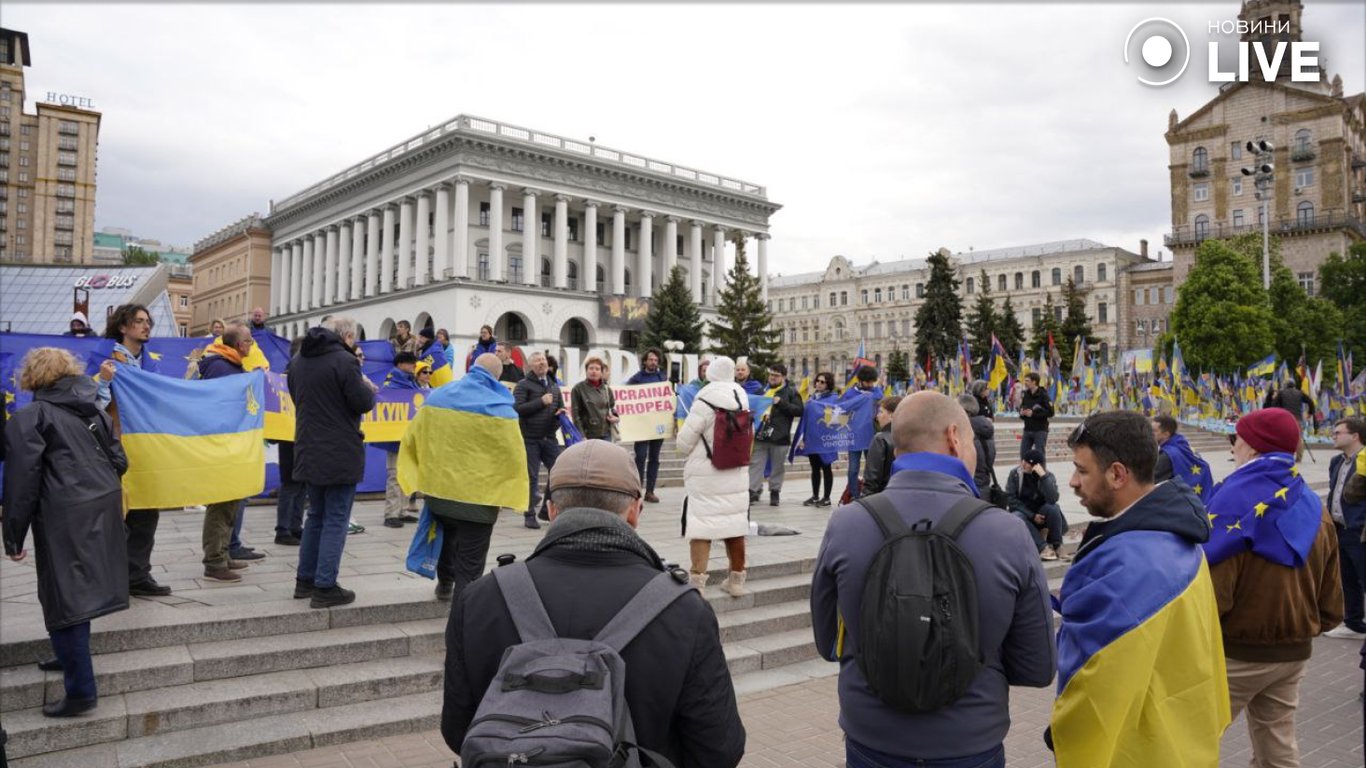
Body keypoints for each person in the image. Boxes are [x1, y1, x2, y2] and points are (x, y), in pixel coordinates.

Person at [441, 439, 745, 765]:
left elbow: (458, 729)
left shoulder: (481, 598)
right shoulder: (684, 610)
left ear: (552, 510)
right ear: (634, 511)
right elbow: (719, 748)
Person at [812, 391, 1055, 768]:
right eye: (972, 441)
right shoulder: (1008, 532)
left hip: (872, 737)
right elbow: (1037, 667)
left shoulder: (847, 523)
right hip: (969, 740)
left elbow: (829, 643)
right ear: (955, 437)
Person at [1050, 411, 1229, 767]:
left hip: (1135, 749)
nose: (1072, 481)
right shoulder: (1176, 533)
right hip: (1181, 739)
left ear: (1117, 474)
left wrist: (1058, 736)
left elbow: (1093, 689)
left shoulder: (1127, 563)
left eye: (1082, 470)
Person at [1206, 407, 1343, 768]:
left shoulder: (1233, 500)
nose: (1233, 446)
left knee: (1190, 736)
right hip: (1294, 649)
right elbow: (1331, 589)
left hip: (1237, 650)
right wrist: (1318, 624)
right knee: (1277, 744)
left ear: (1251, 445)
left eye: (1236, 438)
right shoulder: (1313, 503)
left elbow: (1214, 588)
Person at [3, 347, 130, 717]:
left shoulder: (31, 417)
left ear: (33, 377)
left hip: (63, 513)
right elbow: (120, 461)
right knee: (74, 589)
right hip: (101, 506)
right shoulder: (92, 410)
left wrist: (13, 535)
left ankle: (81, 691)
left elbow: (21, 484)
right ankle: (66, 655)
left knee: (63, 593)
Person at [399, 353, 526, 602]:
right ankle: (464, 613)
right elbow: (514, 457)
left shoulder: (438, 396)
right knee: (471, 563)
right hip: (480, 498)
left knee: (447, 538)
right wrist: (510, 494)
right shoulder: (502, 410)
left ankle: (445, 582)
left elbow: (413, 437)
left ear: (471, 369)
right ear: (497, 377)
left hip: (441, 492)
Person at [289, 316, 377, 609]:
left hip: (308, 446)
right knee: (336, 518)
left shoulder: (299, 360)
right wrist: (365, 384)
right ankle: (325, 586)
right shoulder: (345, 361)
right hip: (339, 450)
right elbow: (362, 402)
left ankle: (305, 580)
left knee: (315, 515)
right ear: (347, 336)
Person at [95, 303, 171, 597]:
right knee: (117, 516)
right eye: (139, 321)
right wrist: (103, 381)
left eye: (148, 321)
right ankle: (110, 579)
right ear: (123, 327)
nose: (146, 326)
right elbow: (93, 407)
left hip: (147, 450)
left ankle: (138, 575)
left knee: (147, 512)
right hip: (118, 448)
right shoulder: (108, 362)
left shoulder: (150, 364)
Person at [676, 356, 752, 595]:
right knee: (735, 524)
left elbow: (683, 443)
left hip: (706, 473)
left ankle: (697, 583)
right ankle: (736, 580)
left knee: (702, 527)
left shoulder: (704, 399)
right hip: (736, 470)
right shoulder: (741, 396)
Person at [196, 322, 258, 582]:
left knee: (230, 502)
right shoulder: (222, 367)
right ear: (238, 344)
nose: (251, 346)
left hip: (231, 442)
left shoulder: (229, 364)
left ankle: (223, 552)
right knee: (220, 504)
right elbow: (223, 406)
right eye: (249, 342)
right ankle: (214, 561)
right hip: (221, 443)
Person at [514, 351, 564, 529]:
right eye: (536, 361)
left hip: (549, 438)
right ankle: (529, 515)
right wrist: (540, 402)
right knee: (532, 477)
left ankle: (546, 509)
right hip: (530, 439)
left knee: (558, 472)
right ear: (530, 365)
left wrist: (561, 414)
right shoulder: (523, 385)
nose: (541, 363)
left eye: (543, 360)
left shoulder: (554, 385)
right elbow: (518, 409)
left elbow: (560, 407)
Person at [1326, 418, 1366, 640]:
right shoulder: (1336, 461)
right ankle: (1354, 623)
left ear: (1355, 436)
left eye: (1338, 432)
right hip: (1340, 527)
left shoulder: (1365, 460)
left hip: (1359, 528)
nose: (1334, 435)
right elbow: (1334, 493)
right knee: (1347, 577)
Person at [748, 363, 803, 506]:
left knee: (777, 466)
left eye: (776, 375)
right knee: (755, 464)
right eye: (771, 374)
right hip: (761, 433)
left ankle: (775, 492)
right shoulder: (762, 391)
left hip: (780, 436)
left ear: (783, 377)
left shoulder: (791, 392)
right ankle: (753, 491)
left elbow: (799, 411)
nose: (772, 377)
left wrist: (782, 403)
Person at [379, 351, 422, 529]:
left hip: (409, 437)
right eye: (411, 363)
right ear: (400, 364)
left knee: (407, 474)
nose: (414, 366)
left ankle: (403, 510)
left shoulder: (410, 381)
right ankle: (391, 513)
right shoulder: (392, 384)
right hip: (395, 438)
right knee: (394, 475)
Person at [1006, 448, 1068, 561]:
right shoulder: (1015, 474)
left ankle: (1058, 545)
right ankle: (1043, 548)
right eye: (1023, 461)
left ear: (1035, 466)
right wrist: (1032, 516)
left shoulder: (1047, 476)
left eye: (1027, 462)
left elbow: (1053, 498)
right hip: (1024, 513)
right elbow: (1011, 500)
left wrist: (1044, 478)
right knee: (1017, 516)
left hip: (1042, 512)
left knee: (1053, 508)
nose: (1023, 464)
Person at [627, 348, 668, 503]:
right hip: (642, 426)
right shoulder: (636, 379)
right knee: (641, 457)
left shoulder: (663, 378)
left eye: (656, 360)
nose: (653, 362)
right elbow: (627, 398)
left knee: (654, 458)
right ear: (645, 361)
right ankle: (637, 490)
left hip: (658, 425)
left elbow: (670, 397)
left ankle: (650, 491)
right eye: (651, 359)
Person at [1151, 414, 1215, 501]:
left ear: (1166, 434)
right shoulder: (1182, 445)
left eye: (1154, 431)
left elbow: (1148, 481)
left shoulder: (1168, 455)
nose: (1150, 434)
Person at [844, 365, 881, 499]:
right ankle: (854, 494)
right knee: (853, 468)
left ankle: (869, 493)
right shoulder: (850, 393)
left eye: (872, 381)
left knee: (871, 468)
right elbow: (843, 409)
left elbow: (880, 401)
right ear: (861, 380)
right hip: (854, 435)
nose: (870, 384)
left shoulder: (876, 391)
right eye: (868, 382)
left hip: (871, 435)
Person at [802, 372, 838, 506]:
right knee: (815, 468)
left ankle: (827, 498)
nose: (818, 383)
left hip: (825, 439)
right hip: (812, 438)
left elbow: (833, 416)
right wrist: (803, 437)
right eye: (817, 381)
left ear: (828, 384)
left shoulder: (833, 398)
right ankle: (815, 496)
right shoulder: (812, 398)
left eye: (822, 382)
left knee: (826, 467)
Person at [861, 395, 902, 496]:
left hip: (883, 499)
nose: (877, 416)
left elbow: (871, 480)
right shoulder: (911, 438)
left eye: (880, 412)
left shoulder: (880, 439)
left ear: (892, 415)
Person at [570, 355, 618, 441]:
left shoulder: (607, 389)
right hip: (588, 435)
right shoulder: (578, 388)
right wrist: (581, 435)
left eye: (597, 369)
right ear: (586, 371)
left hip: (606, 434)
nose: (594, 371)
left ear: (601, 372)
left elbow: (612, 407)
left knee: (605, 455)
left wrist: (616, 417)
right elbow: (575, 415)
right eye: (591, 368)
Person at [958, 393, 996, 497]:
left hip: (970, 487)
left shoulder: (967, 431)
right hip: (984, 484)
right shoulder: (986, 429)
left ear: (964, 411)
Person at [1019, 372, 1053, 459]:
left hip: (1040, 430)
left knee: (1040, 455)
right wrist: (1022, 413)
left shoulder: (1043, 395)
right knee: (1023, 454)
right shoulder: (1026, 394)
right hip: (1027, 429)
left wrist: (1033, 414)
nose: (1025, 383)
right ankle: (1025, 472)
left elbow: (1051, 412)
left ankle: (1041, 472)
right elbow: (1022, 407)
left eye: (1027, 381)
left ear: (1034, 382)